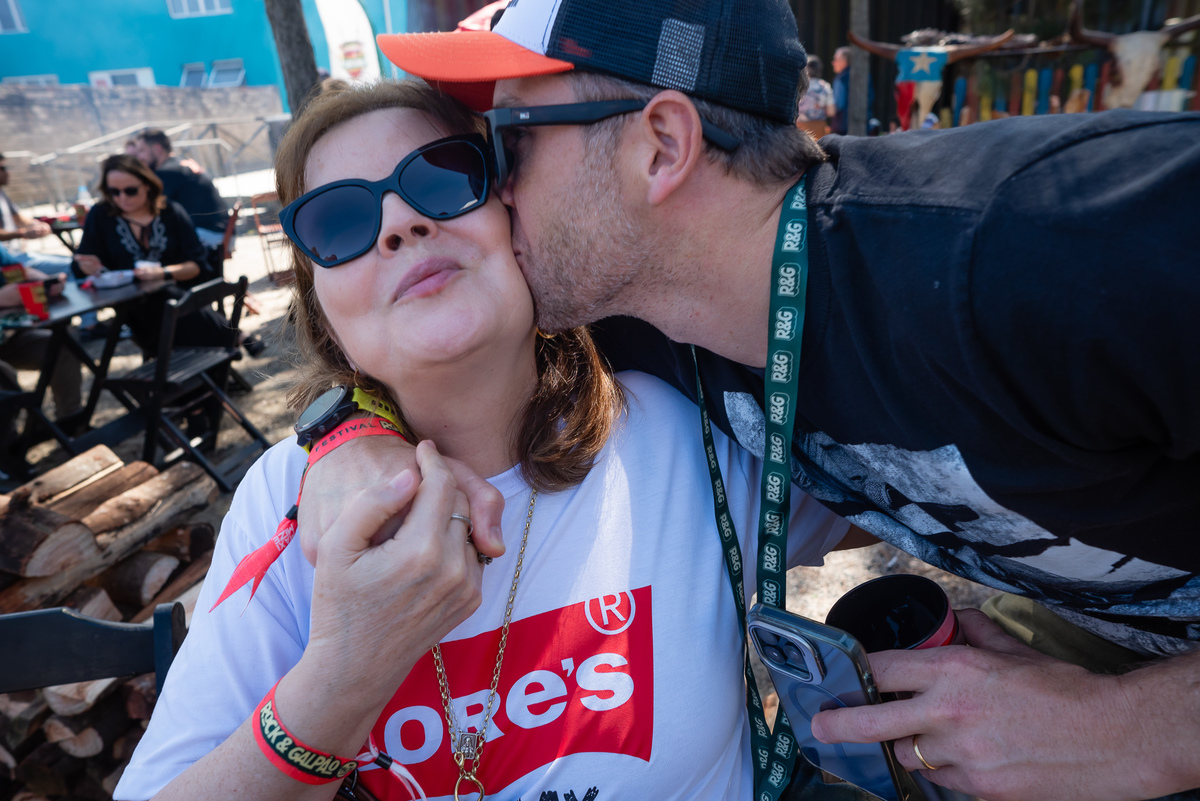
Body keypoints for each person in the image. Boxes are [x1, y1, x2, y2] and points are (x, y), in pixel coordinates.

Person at [289, 2, 1199, 800]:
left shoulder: (1039, 249)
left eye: (507, 146)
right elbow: (418, 333)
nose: (484, 198)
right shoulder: (645, 308)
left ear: (662, 146)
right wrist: (348, 432)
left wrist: (1131, 729)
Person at [113, 80, 856, 801]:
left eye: (443, 178)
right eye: (338, 223)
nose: (399, 224)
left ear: (517, 216)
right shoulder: (288, 504)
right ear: (319, 300)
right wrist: (344, 675)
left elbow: (929, 503)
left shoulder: (687, 432)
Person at [75, 154, 232, 356]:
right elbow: (81, 262)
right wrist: (85, 265)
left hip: (182, 301)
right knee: (163, 300)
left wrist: (162, 272)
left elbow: (197, 266)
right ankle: (232, 334)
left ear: (147, 184)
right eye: (114, 192)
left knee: (167, 296)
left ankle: (222, 351)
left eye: (130, 191)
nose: (122, 198)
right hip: (134, 310)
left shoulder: (172, 212)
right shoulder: (101, 215)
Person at [135, 130, 230, 253]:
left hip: (209, 236)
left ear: (157, 149)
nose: (139, 158)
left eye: (142, 151)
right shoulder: (179, 165)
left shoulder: (167, 173)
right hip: (219, 232)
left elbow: (149, 209)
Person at [0, 152, 74, 274]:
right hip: (9, 262)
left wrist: (37, 225)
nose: (8, 173)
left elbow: (18, 218)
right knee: (72, 266)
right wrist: (22, 234)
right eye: (3, 169)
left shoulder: (2, 193)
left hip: (19, 255)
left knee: (73, 261)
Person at [795, 55, 834, 125]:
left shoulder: (799, 85)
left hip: (800, 128)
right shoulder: (825, 86)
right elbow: (831, 112)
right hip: (819, 129)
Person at [829, 47, 851, 135]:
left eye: (835, 59)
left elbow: (838, 105)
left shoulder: (840, 79)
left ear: (844, 61)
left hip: (842, 129)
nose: (833, 63)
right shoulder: (865, 76)